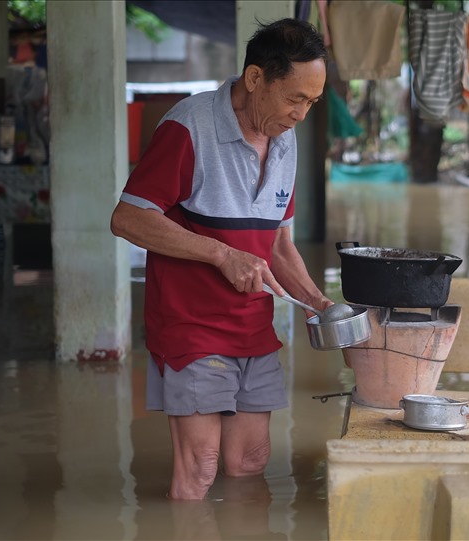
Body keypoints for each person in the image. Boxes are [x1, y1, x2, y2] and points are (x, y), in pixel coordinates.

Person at [110, 18, 331, 500]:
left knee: (249, 463)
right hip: (191, 326)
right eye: (295, 98)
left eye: (311, 102)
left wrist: (321, 304)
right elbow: (128, 219)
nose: (302, 114)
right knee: (201, 467)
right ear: (256, 79)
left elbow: (276, 243)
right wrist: (220, 253)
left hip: (254, 327)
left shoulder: (286, 140)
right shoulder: (187, 126)